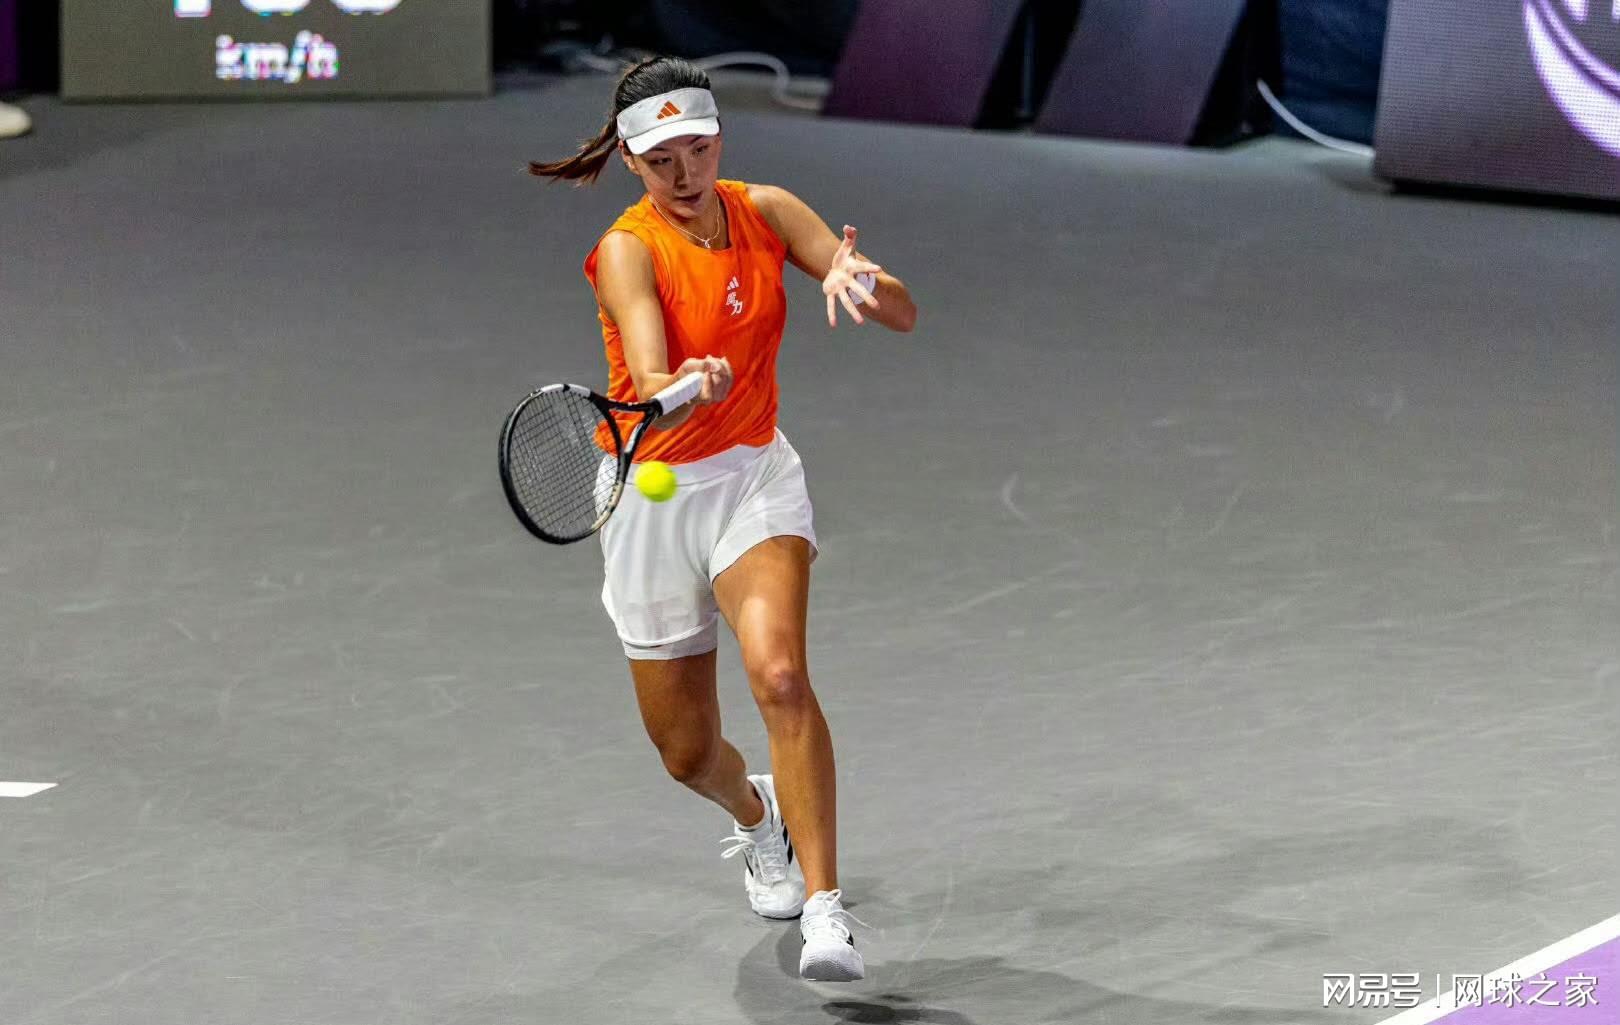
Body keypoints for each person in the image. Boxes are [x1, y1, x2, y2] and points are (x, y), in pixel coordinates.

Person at [530, 55, 916, 982]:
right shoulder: (627, 249)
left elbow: (904, 313)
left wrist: (861, 278)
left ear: (719, 140)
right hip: (652, 498)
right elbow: (650, 376)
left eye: (698, 150)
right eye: (662, 160)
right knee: (687, 752)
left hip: (752, 478)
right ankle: (756, 815)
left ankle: (826, 912)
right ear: (632, 162)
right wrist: (683, 383)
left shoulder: (768, 210)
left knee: (780, 674)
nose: (685, 173)